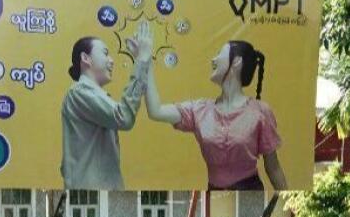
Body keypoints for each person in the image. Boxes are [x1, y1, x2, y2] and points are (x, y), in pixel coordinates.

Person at [144, 31, 289, 192]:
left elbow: (273, 167)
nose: (213, 59)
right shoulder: (199, 110)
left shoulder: (260, 112)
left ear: (236, 62)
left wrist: (287, 206)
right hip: (213, 197)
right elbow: (155, 111)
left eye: (219, 53)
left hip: (250, 196)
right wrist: (146, 63)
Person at [60, 27, 153, 190]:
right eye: (105, 53)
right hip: (92, 197)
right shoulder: (80, 93)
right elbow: (124, 116)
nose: (111, 60)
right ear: (86, 58)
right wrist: (142, 60)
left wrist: (141, 59)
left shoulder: (90, 95)